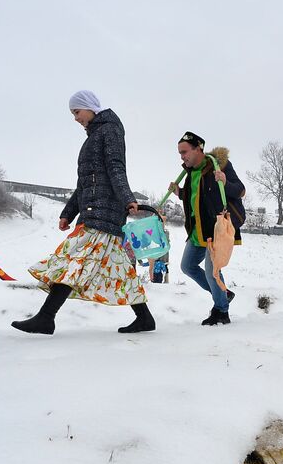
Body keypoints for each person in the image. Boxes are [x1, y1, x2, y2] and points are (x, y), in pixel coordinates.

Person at [13, 90, 154, 335]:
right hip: (94, 211)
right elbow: (85, 183)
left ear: (90, 108)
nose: (75, 118)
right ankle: (144, 318)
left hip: (105, 212)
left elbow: (115, 167)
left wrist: (128, 198)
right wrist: (68, 212)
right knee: (117, 268)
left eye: (77, 112)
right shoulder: (95, 135)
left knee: (72, 261)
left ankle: (46, 317)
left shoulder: (109, 130)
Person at [169, 132, 245, 325]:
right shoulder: (191, 171)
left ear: (198, 149)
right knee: (188, 266)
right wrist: (180, 193)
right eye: (180, 153)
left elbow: (240, 190)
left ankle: (221, 311)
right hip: (198, 229)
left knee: (213, 271)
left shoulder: (219, 165)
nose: (182, 156)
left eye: (184, 152)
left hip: (217, 229)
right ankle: (223, 293)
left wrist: (225, 181)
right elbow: (198, 196)